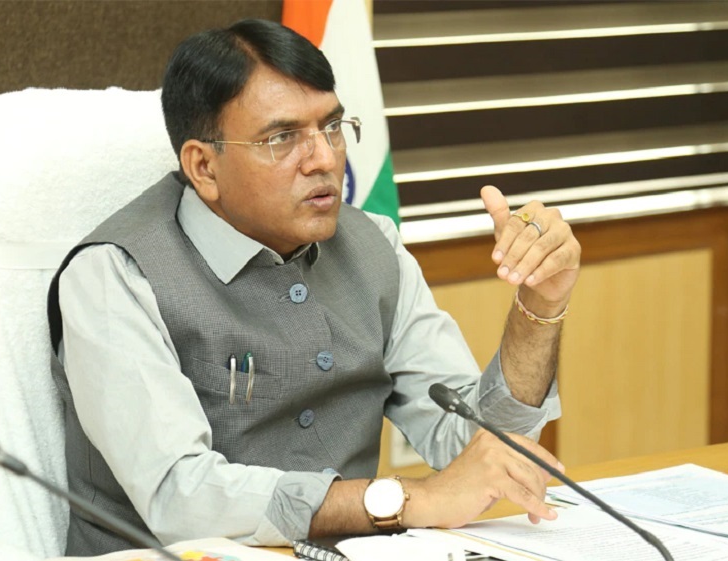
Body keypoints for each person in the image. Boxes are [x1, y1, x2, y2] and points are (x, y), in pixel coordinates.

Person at [47, 18, 581, 556]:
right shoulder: (116, 274)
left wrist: (537, 308)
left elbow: (471, 447)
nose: (325, 158)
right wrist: (405, 500)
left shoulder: (374, 246)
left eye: (331, 126)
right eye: (282, 138)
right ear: (203, 166)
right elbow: (181, 497)